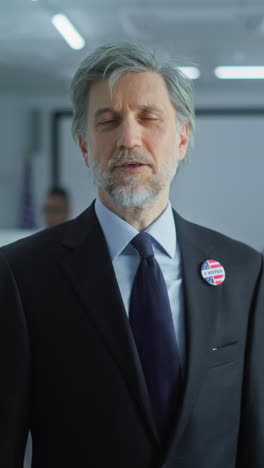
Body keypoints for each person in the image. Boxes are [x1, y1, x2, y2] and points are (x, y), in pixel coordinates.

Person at [0, 42, 263, 468]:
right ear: (85, 146)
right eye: (108, 121)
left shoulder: (245, 273)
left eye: (149, 118)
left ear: (182, 138)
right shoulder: (20, 275)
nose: (128, 138)